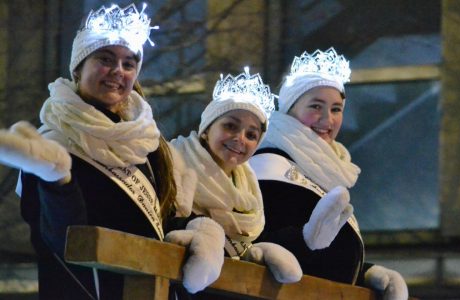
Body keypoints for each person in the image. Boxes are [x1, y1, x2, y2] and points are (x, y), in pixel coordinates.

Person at [0, 3, 225, 299]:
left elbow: (158, 223)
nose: (118, 71)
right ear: (78, 69)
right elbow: (59, 241)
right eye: (105, 59)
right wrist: (57, 181)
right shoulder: (50, 145)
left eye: (129, 63)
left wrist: (201, 232)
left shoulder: (147, 143)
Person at [249, 48, 409, 300]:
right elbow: (253, 251)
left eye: (336, 109)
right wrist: (304, 239)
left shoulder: (323, 172)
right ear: (290, 109)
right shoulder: (268, 166)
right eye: (315, 106)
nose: (327, 118)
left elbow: (324, 258)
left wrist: (366, 275)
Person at [168, 67, 302, 294]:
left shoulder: (251, 191)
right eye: (230, 126)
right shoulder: (172, 163)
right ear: (207, 128)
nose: (240, 138)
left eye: (251, 135)